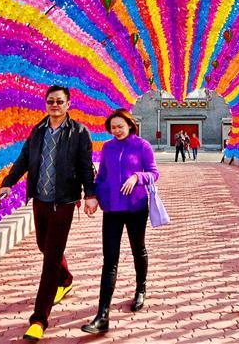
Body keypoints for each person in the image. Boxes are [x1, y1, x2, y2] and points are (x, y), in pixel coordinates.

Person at [0, 85, 99, 342]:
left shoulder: (79, 132)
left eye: (59, 101)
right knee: (44, 246)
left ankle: (39, 319)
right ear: (46, 103)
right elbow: (22, 160)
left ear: (68, 104)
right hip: (40, 200)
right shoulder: (38, 131)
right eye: (50, 101)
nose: (55, 105)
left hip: (63, 202)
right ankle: (66, 279)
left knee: (50, 258)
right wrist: (7, 183)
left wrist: (90, 195)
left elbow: (86, 167)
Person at [81, 109, 159, 334]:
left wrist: (138, 177)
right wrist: (94, 197)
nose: (116, 130)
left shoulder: (142, 145)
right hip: (112, 208)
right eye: (113, 127)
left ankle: (140, 289)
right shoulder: (107, 147)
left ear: (130, 125)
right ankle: (102, 315)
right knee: (110, 259)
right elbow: (102, 174)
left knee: (138, 249)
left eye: (120, 126)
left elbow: (154, 173)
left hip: (135, 207)